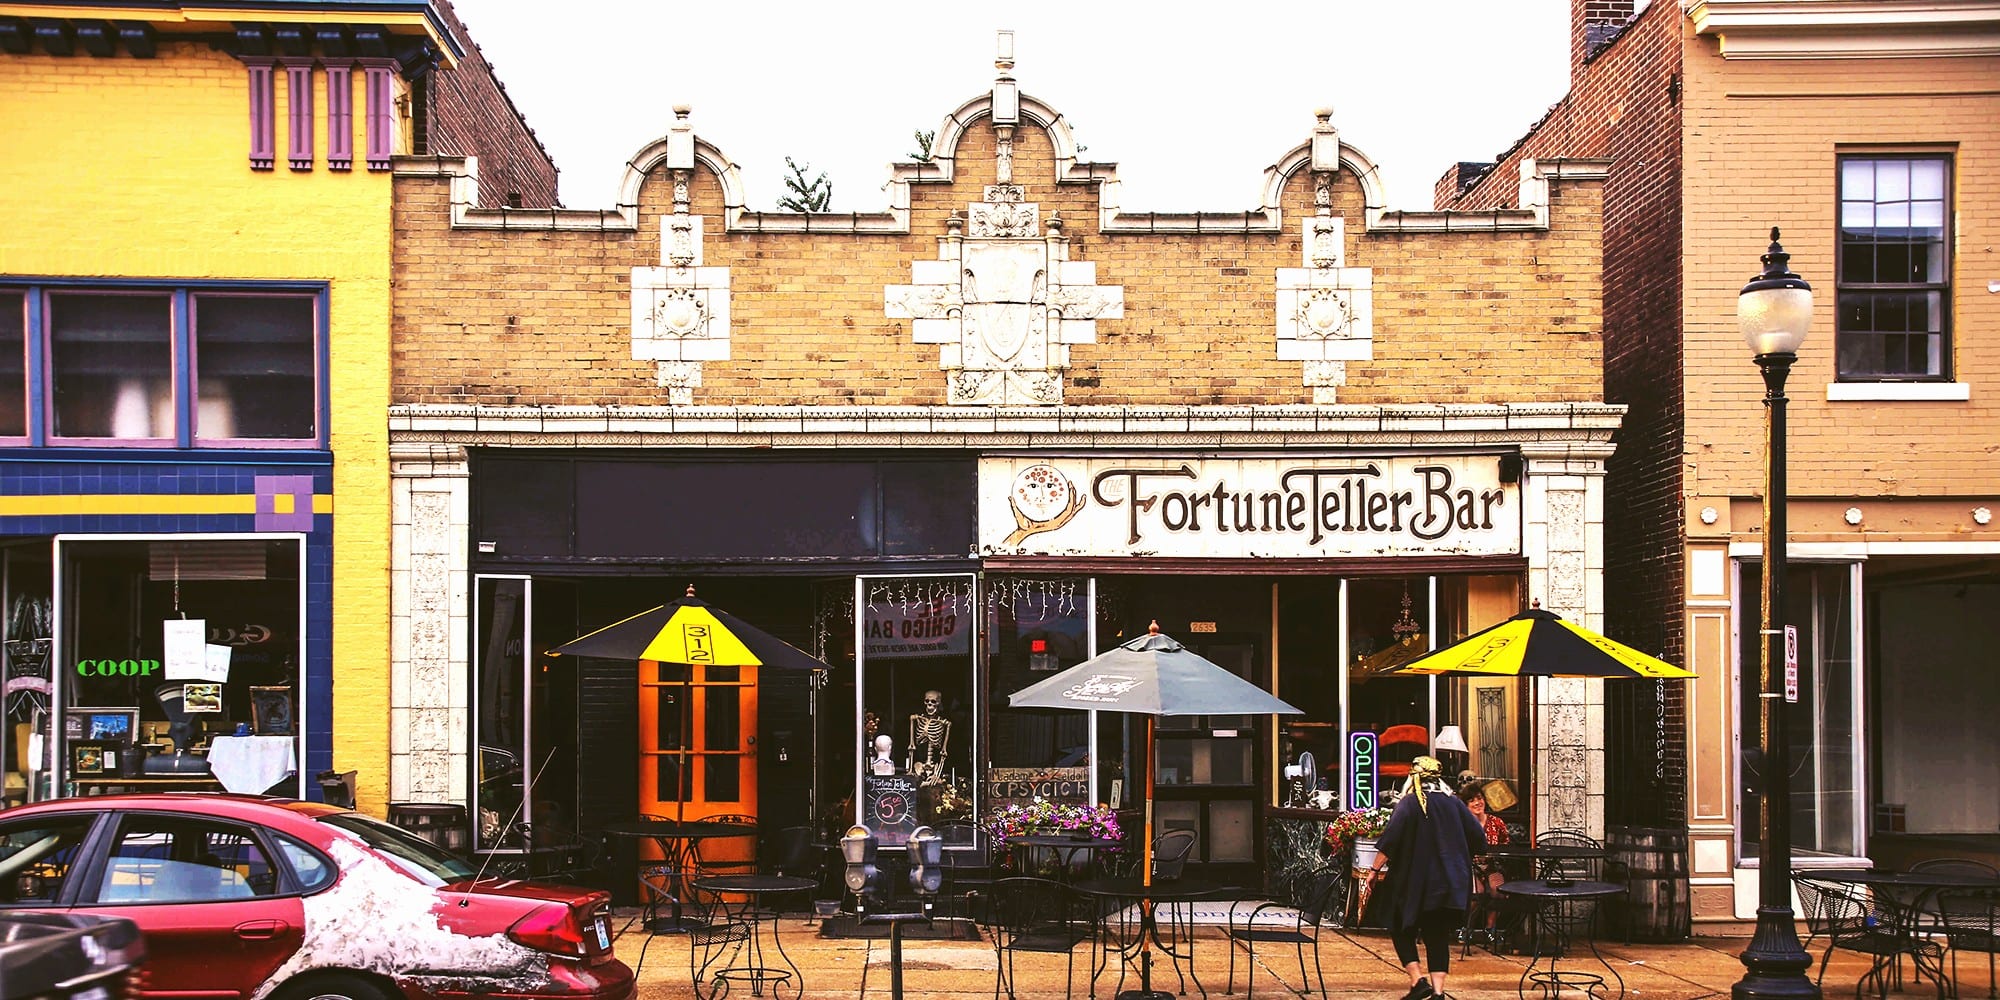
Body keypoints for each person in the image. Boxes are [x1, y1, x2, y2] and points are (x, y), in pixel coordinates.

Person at [1364, 755, 1486, 1000]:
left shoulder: (1410, 803)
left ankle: (1417, 980)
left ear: (1414, 777)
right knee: (1437, 933)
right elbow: (1478, 841)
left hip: (1415, 882)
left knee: (1399, 925)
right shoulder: (1454, 803)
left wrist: (1373, 871)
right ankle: (1438, 993)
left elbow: (1391, 840)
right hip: (1449, 881)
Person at [1461, 780, 1510, 936]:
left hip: (1492, 866)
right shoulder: (1462, 824)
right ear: (1466, 805)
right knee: (1477, 893)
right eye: (1472, 800)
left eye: (1479, 798)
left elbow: (1505, 844)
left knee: (1498, 890)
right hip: (1469, 868)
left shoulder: (1496, 822)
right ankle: (1466, 928)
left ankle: (1491, 929)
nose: (1477, 803)